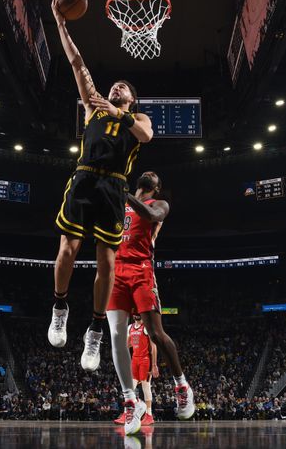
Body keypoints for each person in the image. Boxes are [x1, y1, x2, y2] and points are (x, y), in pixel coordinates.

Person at [47, 0, 154, 376]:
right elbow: (77, 62)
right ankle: (60, 308)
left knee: (107, 264)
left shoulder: (136, 116)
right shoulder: (93, 105)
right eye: (115, 85)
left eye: (123, 87)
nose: (116, 86)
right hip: (85, 178)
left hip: (113, 188)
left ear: (131, 98)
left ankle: (94, 329)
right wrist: (61, 23)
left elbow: (144, 136)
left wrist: (120, 113)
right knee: (66, 251)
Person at [106, 171, 195, 434]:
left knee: (156, 333)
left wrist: (124, 195)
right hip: (117, 269)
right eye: (148, 173)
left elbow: (151, 216)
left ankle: (181, 385)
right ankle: (131, 402)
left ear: (157, 188)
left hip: (141, 268)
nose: (152, 173)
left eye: (156, 176)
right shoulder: (119, 204)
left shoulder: (159, 205)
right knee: (116, 336)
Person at [114, 313, 158, 426]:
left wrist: (154, 365)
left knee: (145, 387)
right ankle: (126, 413)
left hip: (145, 360)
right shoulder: (130, 327)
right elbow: (128, 344)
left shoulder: (147, 327)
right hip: (135, 360)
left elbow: (153, 347)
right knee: (130, 388)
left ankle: (149, 415)